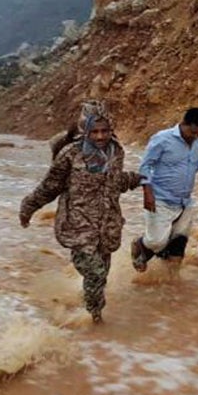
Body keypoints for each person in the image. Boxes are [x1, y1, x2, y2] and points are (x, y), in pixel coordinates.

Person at [19, 100, 142, 323]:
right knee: (95, 272)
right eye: (94, 131)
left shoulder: (116, 151)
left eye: (105, 130)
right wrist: (28, 207)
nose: (100, 136)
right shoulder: (70, 154)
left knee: (101, 275)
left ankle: (89, 302)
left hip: (107, 224)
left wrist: (136, 179)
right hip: (78, 225)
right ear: (84, 129)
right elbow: (50, 186)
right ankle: (95, 319)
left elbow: (114, 182)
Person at [130, 107, 198, 275]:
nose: (195, 137)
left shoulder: (196, 142)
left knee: (179, 242)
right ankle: (140, 245)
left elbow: (191, 159)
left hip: (184, 201)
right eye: (192, 132)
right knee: (157, 241)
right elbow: (145, 166)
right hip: (161, 199)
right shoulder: (162, 139)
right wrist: (147, 192)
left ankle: (170, 286)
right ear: (183, 123)